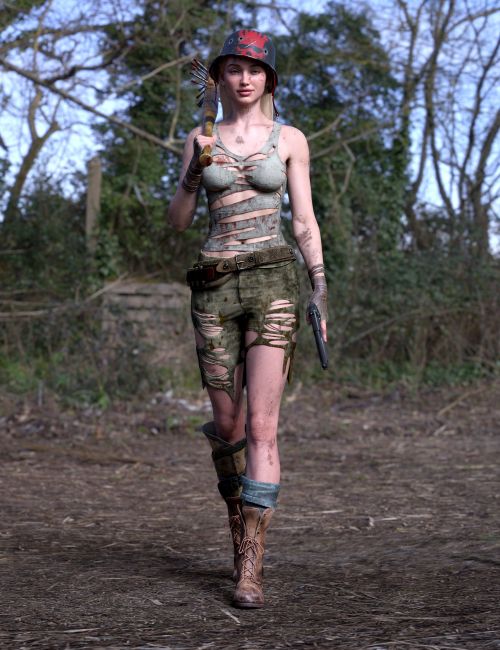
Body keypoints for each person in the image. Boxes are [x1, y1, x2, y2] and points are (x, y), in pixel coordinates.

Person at [167, 29, 327, 609]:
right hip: (213, 286)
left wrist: (319, 286)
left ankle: (250, 564)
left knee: (261, 426)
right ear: (219, 77)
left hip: (273, 282)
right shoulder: (200, 138)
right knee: (229, 426)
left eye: (255, 70)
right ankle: (239, 531)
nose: (244, 78)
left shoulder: (290, 139)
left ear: (269, 79)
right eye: (233, 68)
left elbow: (303, 220)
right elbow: (178, 220)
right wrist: (194, 170)